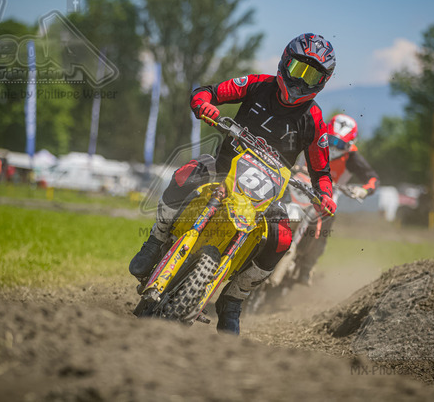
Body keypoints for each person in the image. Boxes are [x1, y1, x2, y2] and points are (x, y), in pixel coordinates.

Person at [129, 33, 337, 334]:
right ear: (284, 62)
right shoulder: (257, 84)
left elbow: (322, 172)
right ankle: (155, 242)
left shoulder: (314, 119)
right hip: (223, 167)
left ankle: (233, 300)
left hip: (269, 192)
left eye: (311, 75)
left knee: (282, 238)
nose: (301, 81)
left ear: (322, 81)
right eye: (297, 69)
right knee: (185, 174)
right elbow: (206, 92)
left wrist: (326, 195)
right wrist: (204, 105)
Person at [294, 114, 380, 285]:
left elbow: (373, 178)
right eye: (331, 140)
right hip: (296, 184)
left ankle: (307, 266)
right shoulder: (311, 137)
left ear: (349, 145)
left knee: (323, 229)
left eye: (339, 144)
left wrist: (363, 190)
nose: (333, 146)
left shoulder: (352, 157)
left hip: (327, 196)